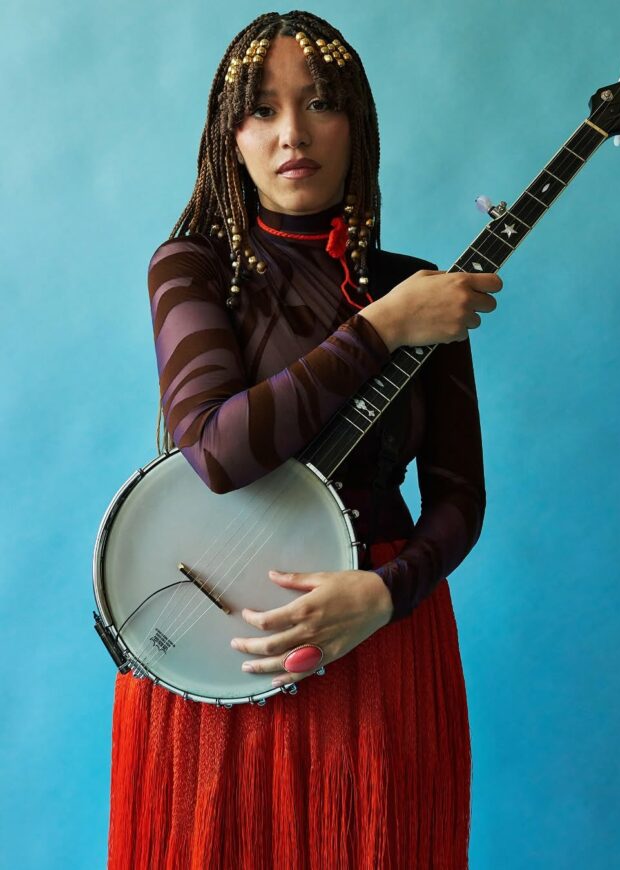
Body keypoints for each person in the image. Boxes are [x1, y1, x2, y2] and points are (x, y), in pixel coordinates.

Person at [107, 10, 502, 869]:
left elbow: (461, 498)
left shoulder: (415, 286)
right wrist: (385, 327)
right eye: (262, 110)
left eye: (320, 104)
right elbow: (214, 448)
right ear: (230, 136)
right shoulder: (192, 267)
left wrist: (387, 594)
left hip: (381, 640)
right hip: (221, 647)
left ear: (355, 121)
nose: (292, 133)